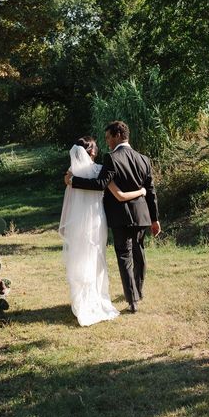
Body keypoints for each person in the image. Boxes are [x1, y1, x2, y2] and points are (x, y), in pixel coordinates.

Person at [65, 121, 160, 313]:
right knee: (139, 252)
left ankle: (132, 300)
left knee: (124, 255)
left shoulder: (112, 158)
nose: (107, 142)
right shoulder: (144, 159)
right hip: (142, 214)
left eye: (108, 137)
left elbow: (100, 184)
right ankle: (138, 292)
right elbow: (151, 191)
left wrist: (73, 180)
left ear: (117, 135)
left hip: (120, 216)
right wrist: (155, 218)